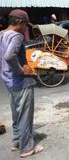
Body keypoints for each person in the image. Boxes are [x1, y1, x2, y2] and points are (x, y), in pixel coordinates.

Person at [0, 9, 43, 158]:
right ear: (19, 22)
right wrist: (21, 71)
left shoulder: (2, 34)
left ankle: (17, 141)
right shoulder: (17, 36)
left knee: (16, 114)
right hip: (21, 81)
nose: (26, 28)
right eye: (25, 25)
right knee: (25, 115)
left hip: (9, 81)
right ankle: (26, 148)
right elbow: (9, 56)